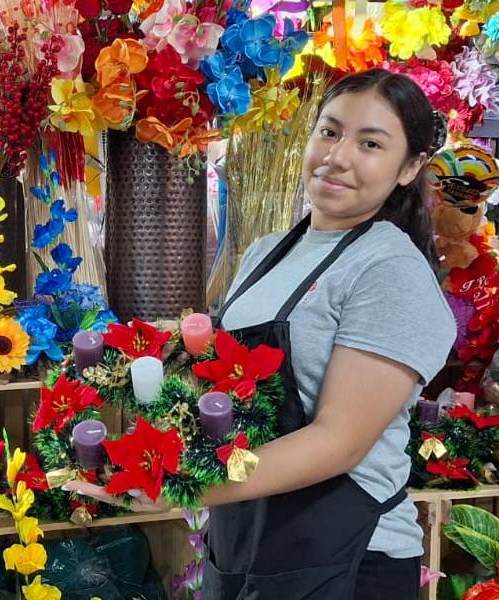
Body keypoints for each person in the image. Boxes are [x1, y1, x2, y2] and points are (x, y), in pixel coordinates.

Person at [65, 68, 457, 599]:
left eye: (370, 143)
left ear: (409, 167)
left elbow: (338, 442)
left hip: (346, 557)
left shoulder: (388, 270)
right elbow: (230, 389)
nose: (338, 156)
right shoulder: (266, 253)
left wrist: (182, 485)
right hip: (247, 542)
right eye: (329, 131)